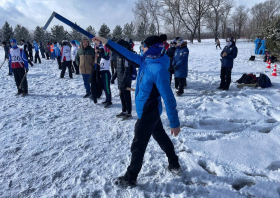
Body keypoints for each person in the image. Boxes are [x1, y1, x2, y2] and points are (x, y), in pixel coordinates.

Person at [93, 35, 181, 187]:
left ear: (153, 48)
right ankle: (174, 163)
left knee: (138, 145)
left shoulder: (158, 69)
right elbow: (124, 52)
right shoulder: (146, 60)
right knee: (161, 138)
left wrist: (174, 122)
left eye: (144, 46)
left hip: (149, 112)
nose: (142, 48)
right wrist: (105, 41)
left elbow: (168, 98)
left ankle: (130, 177)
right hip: (147, 110)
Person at [114, 39, 133, 120]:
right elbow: (118, 69)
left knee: (126, 96)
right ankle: (124, 111)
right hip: (120, 80)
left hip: (126, 81)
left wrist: (124, 82)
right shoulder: (119, 55)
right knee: (122, 96)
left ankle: (129, 113)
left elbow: (127, 71)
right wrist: (114, 77)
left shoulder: (126, 56)